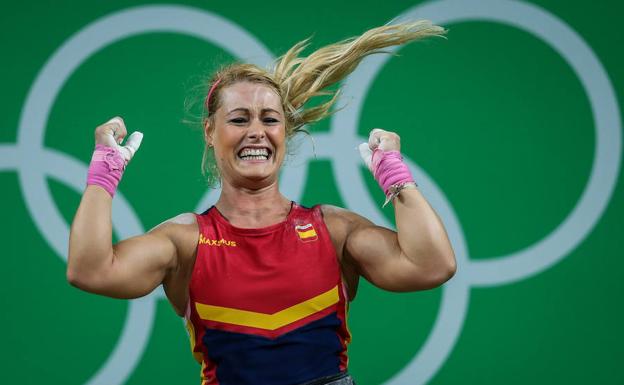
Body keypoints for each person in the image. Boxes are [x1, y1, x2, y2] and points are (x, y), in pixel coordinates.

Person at [67, 20, 456, 385]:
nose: (256, 132)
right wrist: (103, 177)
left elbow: (432, 265)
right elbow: (91, 270)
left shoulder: (333, 229)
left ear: (285, 131)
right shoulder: (184, 241)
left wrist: (395, 176)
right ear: (209, 131)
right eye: (239, 120)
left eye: (269, 119)